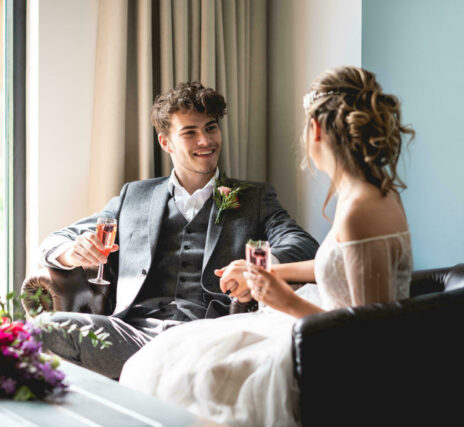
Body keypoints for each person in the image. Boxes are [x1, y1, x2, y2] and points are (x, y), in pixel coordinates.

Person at [119, 66, 415, 426]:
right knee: (168, 359)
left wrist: (284, 300)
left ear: (317, 130)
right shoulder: (367, 193)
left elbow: (368, 338)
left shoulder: (359, 208)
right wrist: (267, 271)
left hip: (329, 347)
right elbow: (337, 264)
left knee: (183, 373)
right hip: (317, 327)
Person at [35, 81, 319, 379]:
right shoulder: (135, 196)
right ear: (166, 142)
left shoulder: (254, 198)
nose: (205, 141)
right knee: (42, 331)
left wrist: (256, 267)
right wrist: (72, 252)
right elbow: (54, 241)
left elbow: (302, 244)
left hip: (208, 341)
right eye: (190, 132)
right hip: (132, 336)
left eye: (211, 128)